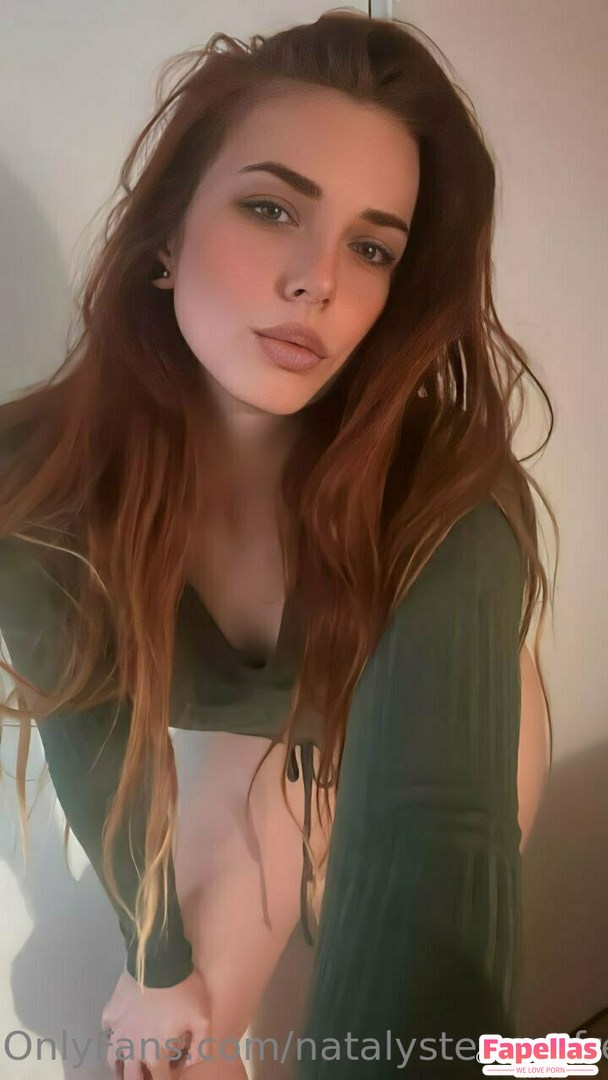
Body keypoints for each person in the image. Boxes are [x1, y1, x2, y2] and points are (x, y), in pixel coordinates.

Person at [0, 9, 556, 1079]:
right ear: (166, 235)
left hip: (435, 722)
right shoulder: (35, 482)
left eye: (371, 247)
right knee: (171, 1055)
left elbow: (436, 830)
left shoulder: (446, 489)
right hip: (258, 755)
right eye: (270, 208)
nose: (319, 281)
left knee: (388, 1033)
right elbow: (87, 732)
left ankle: (552, 1062)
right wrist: (153, 962)